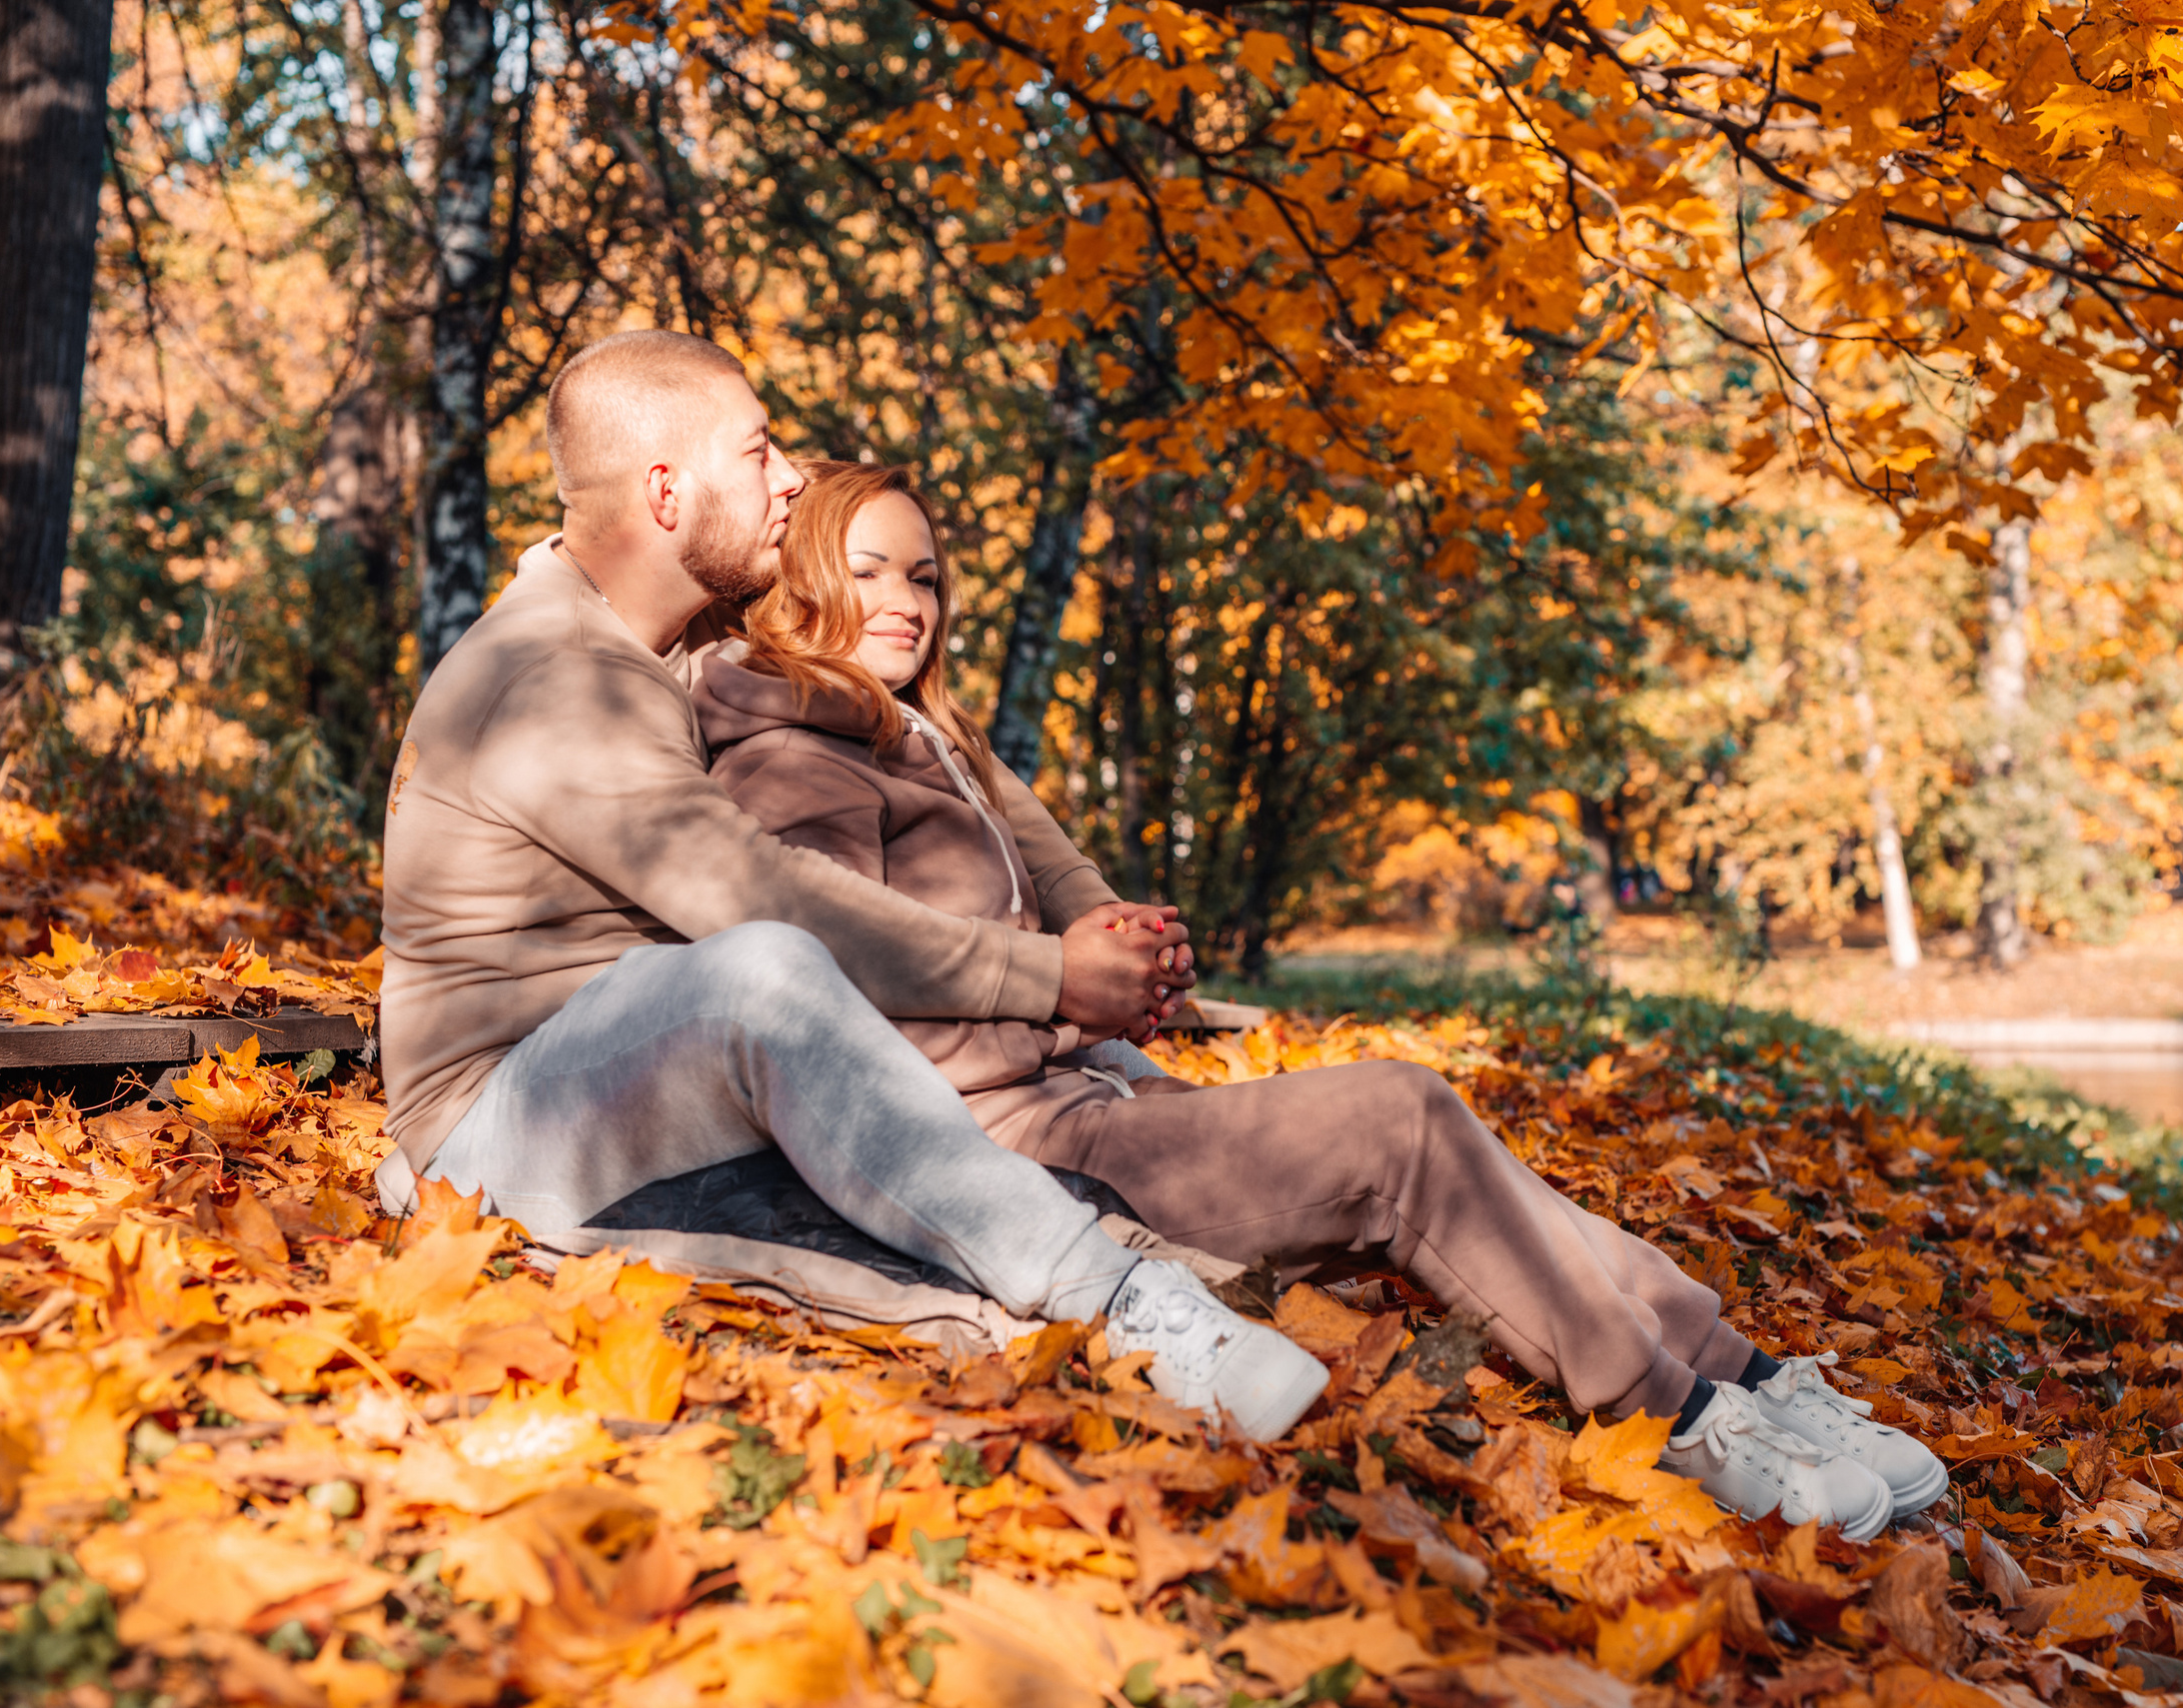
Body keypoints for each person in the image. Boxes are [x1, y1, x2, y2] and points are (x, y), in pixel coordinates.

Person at [693, 459, 1951, 1539]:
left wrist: (1122, 955)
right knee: (1397, 1118)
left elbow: (1045, 902)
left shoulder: (919, 732)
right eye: (869, 569)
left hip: (1086, 1098)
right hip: (1009, 1154)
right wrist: (1073, 996)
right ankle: (1667, 1413)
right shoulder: (795, 755)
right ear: (798, 577)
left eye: (923, 576)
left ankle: (1738, 1374)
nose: (906, 601)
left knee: (1465, 1157)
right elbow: (840, 1011)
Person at [373, 330, 1328, 1442]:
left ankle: (1163, 1212)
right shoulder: (555, 676)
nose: (790, 479)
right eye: (759, 453)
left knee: (819, 1013)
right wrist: (1047, 975)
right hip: (505, 1120)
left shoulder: (660, 638)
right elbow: (764, 896)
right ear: (667, 493)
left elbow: (931, 738)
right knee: (762, 968)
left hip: (645, 1066)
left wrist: (1082, 912)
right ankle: (1118, 1299)